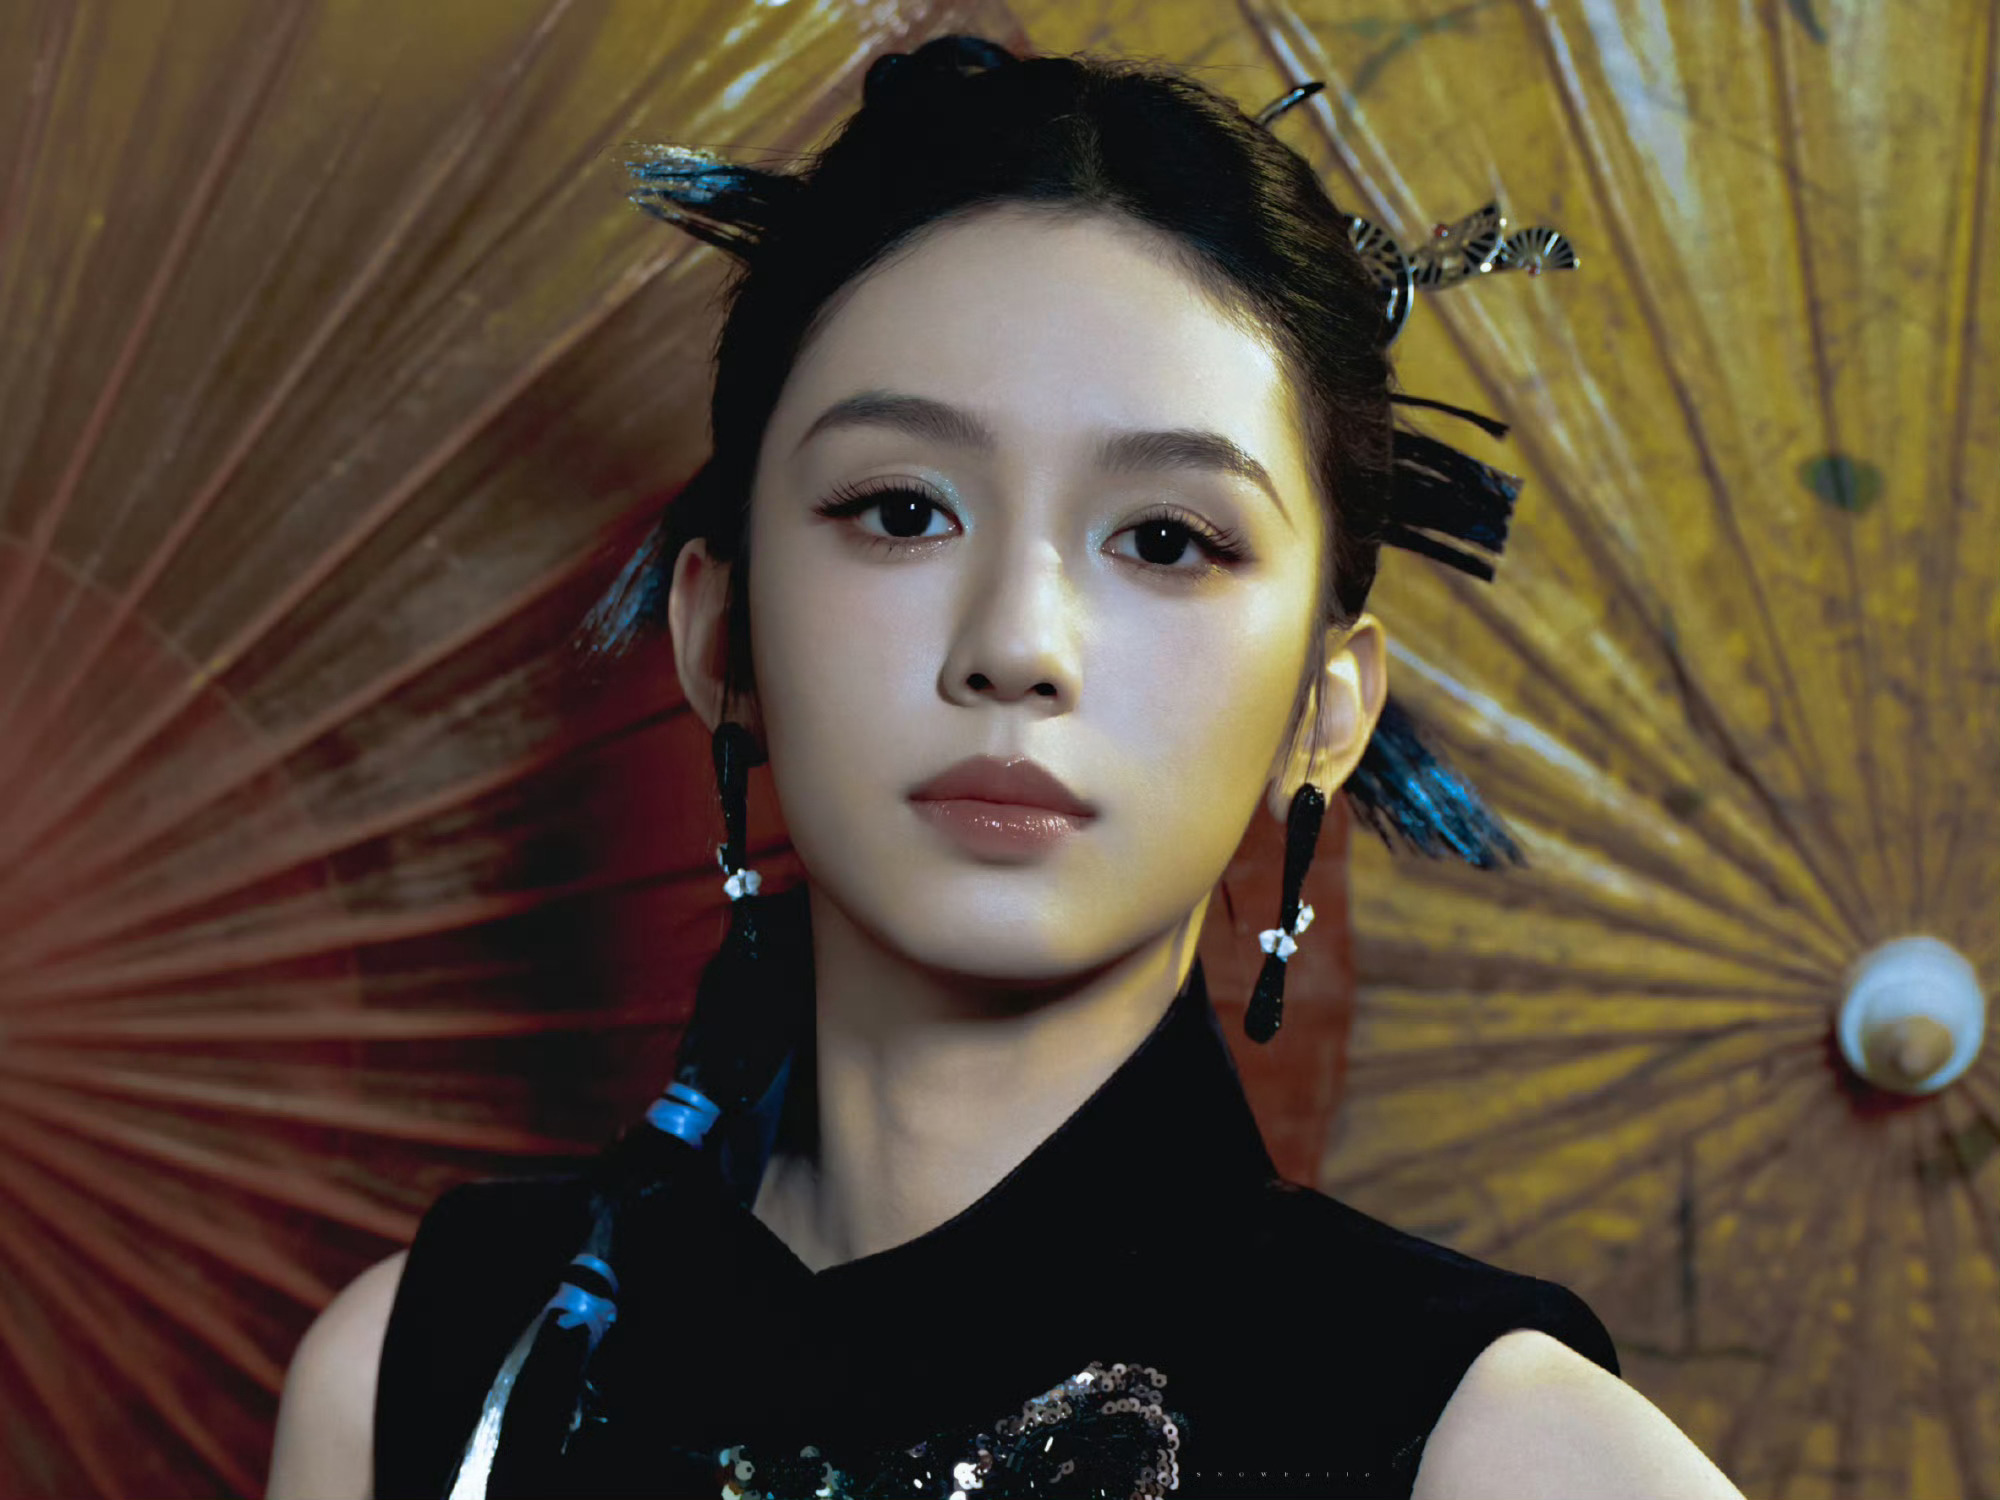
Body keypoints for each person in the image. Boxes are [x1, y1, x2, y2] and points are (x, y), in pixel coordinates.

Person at [267, 36, 1747, 1500]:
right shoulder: (428, 1378)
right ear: (721, 633)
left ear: (1326, 706)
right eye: (903, 512)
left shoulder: (1505, 1458)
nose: (1019, 645)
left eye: (1165, 539)